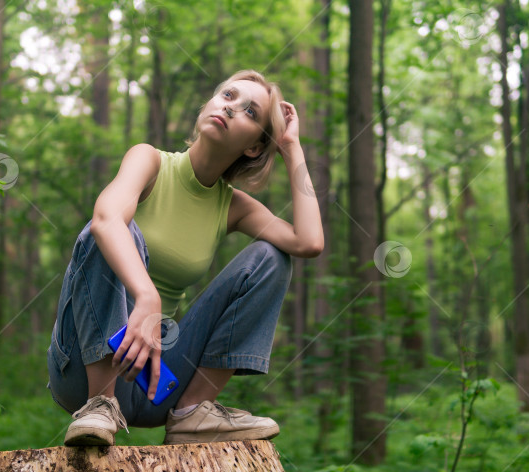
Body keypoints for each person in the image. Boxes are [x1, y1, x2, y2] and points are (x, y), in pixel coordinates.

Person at [46, 69, 323, 446]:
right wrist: (147, 295)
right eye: (227, 95)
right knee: (117, 228)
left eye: (249, 112)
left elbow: (308, 242)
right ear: (208, 104)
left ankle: (192, 412)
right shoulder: (150, 161)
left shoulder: (233, 207)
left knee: (272, 258)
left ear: (254, 147)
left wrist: (292, 148)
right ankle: (101, 402)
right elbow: (105, 219)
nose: (230, 108)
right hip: (79, 371)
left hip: (154, 381)